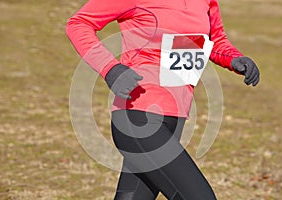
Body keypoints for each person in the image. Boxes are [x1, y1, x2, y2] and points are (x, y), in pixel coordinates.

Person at [66, 0, 260, 199]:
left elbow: (215, 40)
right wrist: (110, 69)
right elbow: (79, 23)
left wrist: (234, 58)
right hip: (138, 116)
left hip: (175, 119)